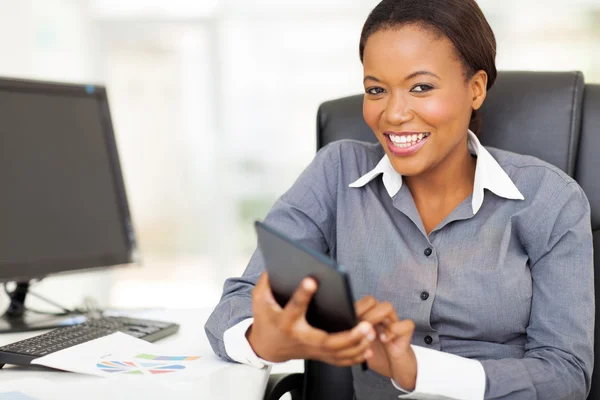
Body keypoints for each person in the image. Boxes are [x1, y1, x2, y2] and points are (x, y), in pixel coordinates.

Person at [205, 0, 594, 398]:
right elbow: (234, 308)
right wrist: (263, 340)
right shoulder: (337, 172)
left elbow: (565, 375)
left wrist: (417, 371)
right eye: (376, 90)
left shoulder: (551, 199)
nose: (393, 114)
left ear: (475, 89)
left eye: (421, 87)